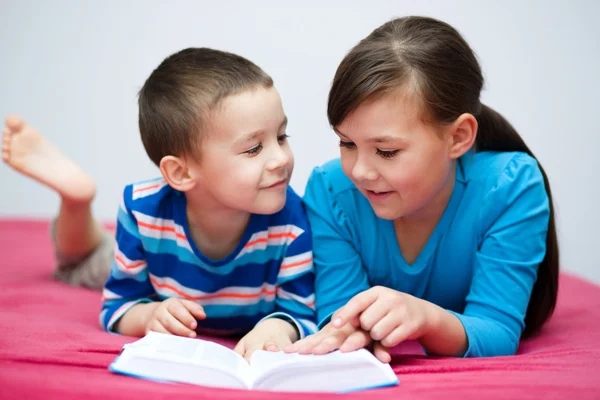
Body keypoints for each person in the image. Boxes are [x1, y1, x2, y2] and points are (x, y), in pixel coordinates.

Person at [1, 47, 316, 361]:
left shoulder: (293, 220)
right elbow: (118, 307)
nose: (281, 158)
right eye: (254, 148)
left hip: (174, 257)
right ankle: (76, 200)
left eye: (283, 136)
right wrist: (149, 314)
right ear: (180, 172)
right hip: (160, 259)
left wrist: (278, 327)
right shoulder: (143, 212)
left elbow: (301, 311)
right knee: (84, 264)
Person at [285, 16, 559, 361]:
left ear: (458, 137)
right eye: (346, 143)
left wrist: (426, 318)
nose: (360, 171)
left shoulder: (511, 187)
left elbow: (498, 331)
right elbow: (339, 314)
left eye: (387, 151)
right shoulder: (329, 190)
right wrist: (349, 332)